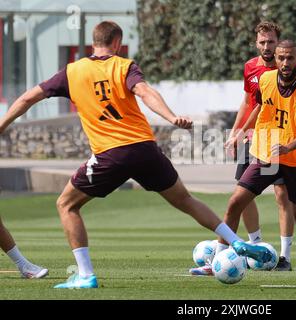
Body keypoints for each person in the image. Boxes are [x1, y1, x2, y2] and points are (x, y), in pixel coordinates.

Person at [0, 21, 273, 289]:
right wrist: (171, 116)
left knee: (66, 205)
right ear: (117, 43)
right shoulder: (124, 66)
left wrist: (1, 126)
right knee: (185, 200)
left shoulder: (71, 72)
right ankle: (233, 240)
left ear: (93, 43)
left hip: (111, 153)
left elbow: (26, 99)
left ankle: (84, 275)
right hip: (145, 149)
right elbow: (145, 92)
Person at [189, 22, 296, 276]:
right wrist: (235, 132)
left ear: (278, 43)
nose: (267, 46)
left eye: (271, 41)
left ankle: (284, 257)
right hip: (253, 137)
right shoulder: (250, 68)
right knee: (241, 195)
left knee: (281, 196)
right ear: (256, 43)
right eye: (262, 42)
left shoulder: (289, 66)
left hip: (278, 141)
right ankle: (255, 244)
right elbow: (247, 102)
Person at [218, 39, 296, 277]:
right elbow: (259, 107)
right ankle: (218, 257)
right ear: (275, 58)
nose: (285, 63)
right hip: (266, 155)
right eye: (281, 58)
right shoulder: (265, 80)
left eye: (290, 58)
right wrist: (241, 133)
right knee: (235, 203)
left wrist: (288, 147)